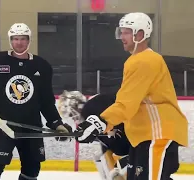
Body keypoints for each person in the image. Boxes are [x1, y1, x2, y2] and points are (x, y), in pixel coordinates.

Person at [74, 12, 188, 180]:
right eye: (121, 32)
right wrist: (101, 124)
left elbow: (127, 103)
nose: (121, 36)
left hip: (157, 134)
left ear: (140, 34)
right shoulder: (136, 60)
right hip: (144, 136)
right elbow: (126, 100)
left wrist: (101, 121)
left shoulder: (145, 61)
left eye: (126, 32)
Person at [0, 23, 72, 180]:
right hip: (3, 125)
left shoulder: (42, 65)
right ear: (10, 40)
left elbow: (46, 101)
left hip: (31, 127)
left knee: (32, 168)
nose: (19, 43)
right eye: (15, 39)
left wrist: (56, 123)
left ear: (29, 40)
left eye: (23, 39)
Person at [58, 91, 130, 180]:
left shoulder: (90, 109)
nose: (73, 119)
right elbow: (106, 147)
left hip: (135, 142)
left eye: (70, 114)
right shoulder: (93, 108)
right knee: (100, 156)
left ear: (75, 107)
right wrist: (113, 173)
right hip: (131, 143)